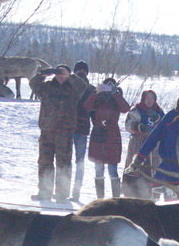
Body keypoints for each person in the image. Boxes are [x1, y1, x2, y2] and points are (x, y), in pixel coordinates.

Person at [28, 63, 88, 202]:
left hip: (65, 132)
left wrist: (70, 76)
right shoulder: (47, 87)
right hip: (47, 130)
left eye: (63, 74)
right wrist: (42, 75)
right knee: (44, 162)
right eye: (58, 73)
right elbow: (33, 84)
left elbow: (83, 86)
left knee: (64, 163)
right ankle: (44, 191)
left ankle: (62, 194)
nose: (60, 76)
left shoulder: (73, 88)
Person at [83, 76, 130, 198]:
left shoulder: (117, 98)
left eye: (111, 86)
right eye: (106, 86)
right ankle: (100, 199)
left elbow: (126, 108)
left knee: (112, 169)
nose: (108, 88)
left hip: (112, 136)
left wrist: (115, 93)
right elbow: (86, 107)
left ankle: (115, 199)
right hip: (98, 134)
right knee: (98, 169)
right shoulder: (98, 97)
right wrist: (96, 92)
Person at [123, 89, 165, 199]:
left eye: (152, 98)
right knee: (135, 169)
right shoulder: (136, 110)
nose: (149, 101)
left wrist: (158, 121)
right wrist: (138, 127)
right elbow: (128, 125)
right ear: (143, 99)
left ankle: (153, 196)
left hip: (154, 146)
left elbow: (166, 127)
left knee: (153, 170)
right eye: (147, 98)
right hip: (138, 143)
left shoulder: (159, 112)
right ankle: (132, 194)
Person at [69, 60, 94, 201]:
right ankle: (66, 190)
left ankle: (75, 192)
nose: (81, 73)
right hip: (68, 127)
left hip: (81, 129)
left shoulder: (91, 89)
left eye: (82, 71)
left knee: (78, 162)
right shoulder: (69, 86)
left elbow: (94, 111)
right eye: (79, 70)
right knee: (66, 161)